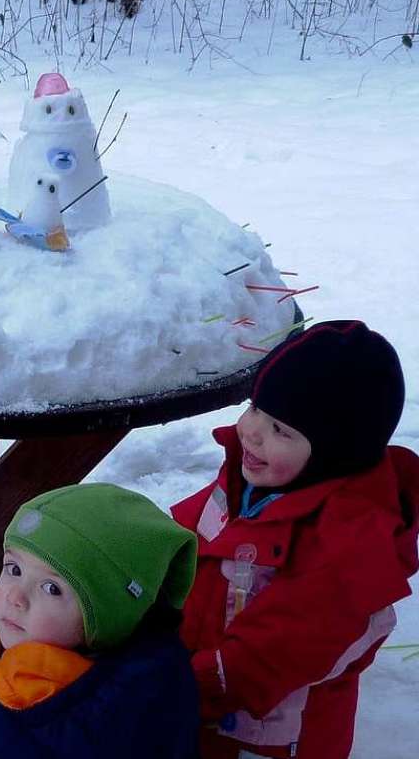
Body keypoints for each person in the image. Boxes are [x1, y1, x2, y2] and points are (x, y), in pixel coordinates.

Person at [172, 320, 419, 759]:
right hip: (201, 700)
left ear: (333, 453)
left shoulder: (351, 545)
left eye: (281, 430)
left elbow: (284, 646)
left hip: (269, 736)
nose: (251, 431)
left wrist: (193, 686)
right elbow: (184, 535)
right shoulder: (250, 477)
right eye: (254, 409)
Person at [0, 483, 200, 758]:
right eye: (14, 569)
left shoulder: (92, 715)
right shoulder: (46, 662)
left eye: (51, 588)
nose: (15, 596)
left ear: (107, 615)